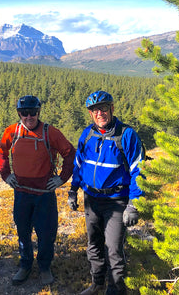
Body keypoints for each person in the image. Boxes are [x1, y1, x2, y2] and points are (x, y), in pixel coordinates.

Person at [67, 90, 143, 295]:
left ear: (112, 109)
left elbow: (138, 171)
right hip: (91, 199)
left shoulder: (126, 135)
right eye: (94, 110)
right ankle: (97, 284)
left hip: (116, 201)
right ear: (90, 113)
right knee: (94, 245)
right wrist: (73, 189)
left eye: (103, 108)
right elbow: (79, 165)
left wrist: (133, 204)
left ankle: (115, 290)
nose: (99, 113)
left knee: (114, 250)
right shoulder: (87, 134)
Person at [0, 95, 75, 286]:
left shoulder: (50, 132)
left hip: (44, 195)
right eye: (24, 113)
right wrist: (6, 175)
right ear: (19, 113)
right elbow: (1, 151)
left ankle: (44, 267)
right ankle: (25, 265)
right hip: (21, 192)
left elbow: (70, 153)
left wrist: (61, 178)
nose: (29, 117)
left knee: (46, 233)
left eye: (33, 113)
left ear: (38, 112)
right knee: (22, 230)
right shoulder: (12, 131)